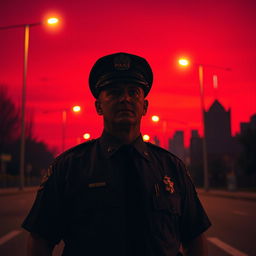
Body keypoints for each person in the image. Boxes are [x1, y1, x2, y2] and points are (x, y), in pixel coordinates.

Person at [22, 52, 211, 256]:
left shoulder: (171, 167)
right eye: (114, 92)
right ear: (98, 106)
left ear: (145, 106)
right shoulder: (69, 167)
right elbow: (40, 239)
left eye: (133, 92)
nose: (125, 99)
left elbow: (194, 237)